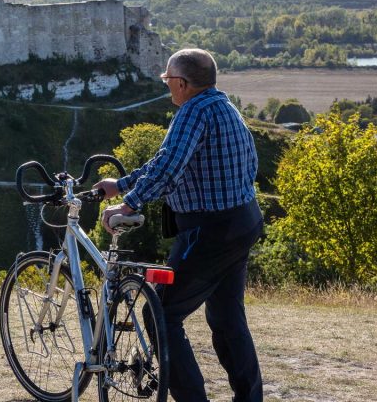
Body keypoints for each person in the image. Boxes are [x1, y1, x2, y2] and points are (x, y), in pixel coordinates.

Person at [94, 48, 264, 402]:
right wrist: (123, 183)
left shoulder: (192, 112)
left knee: (160, 313)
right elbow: (168, 160)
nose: (167, 85)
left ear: (183, 83)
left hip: (208, 231)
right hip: (242, 222)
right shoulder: (223, 106)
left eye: (168, 79)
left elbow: (169, 168)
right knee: (227, 319)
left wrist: (127, 204)